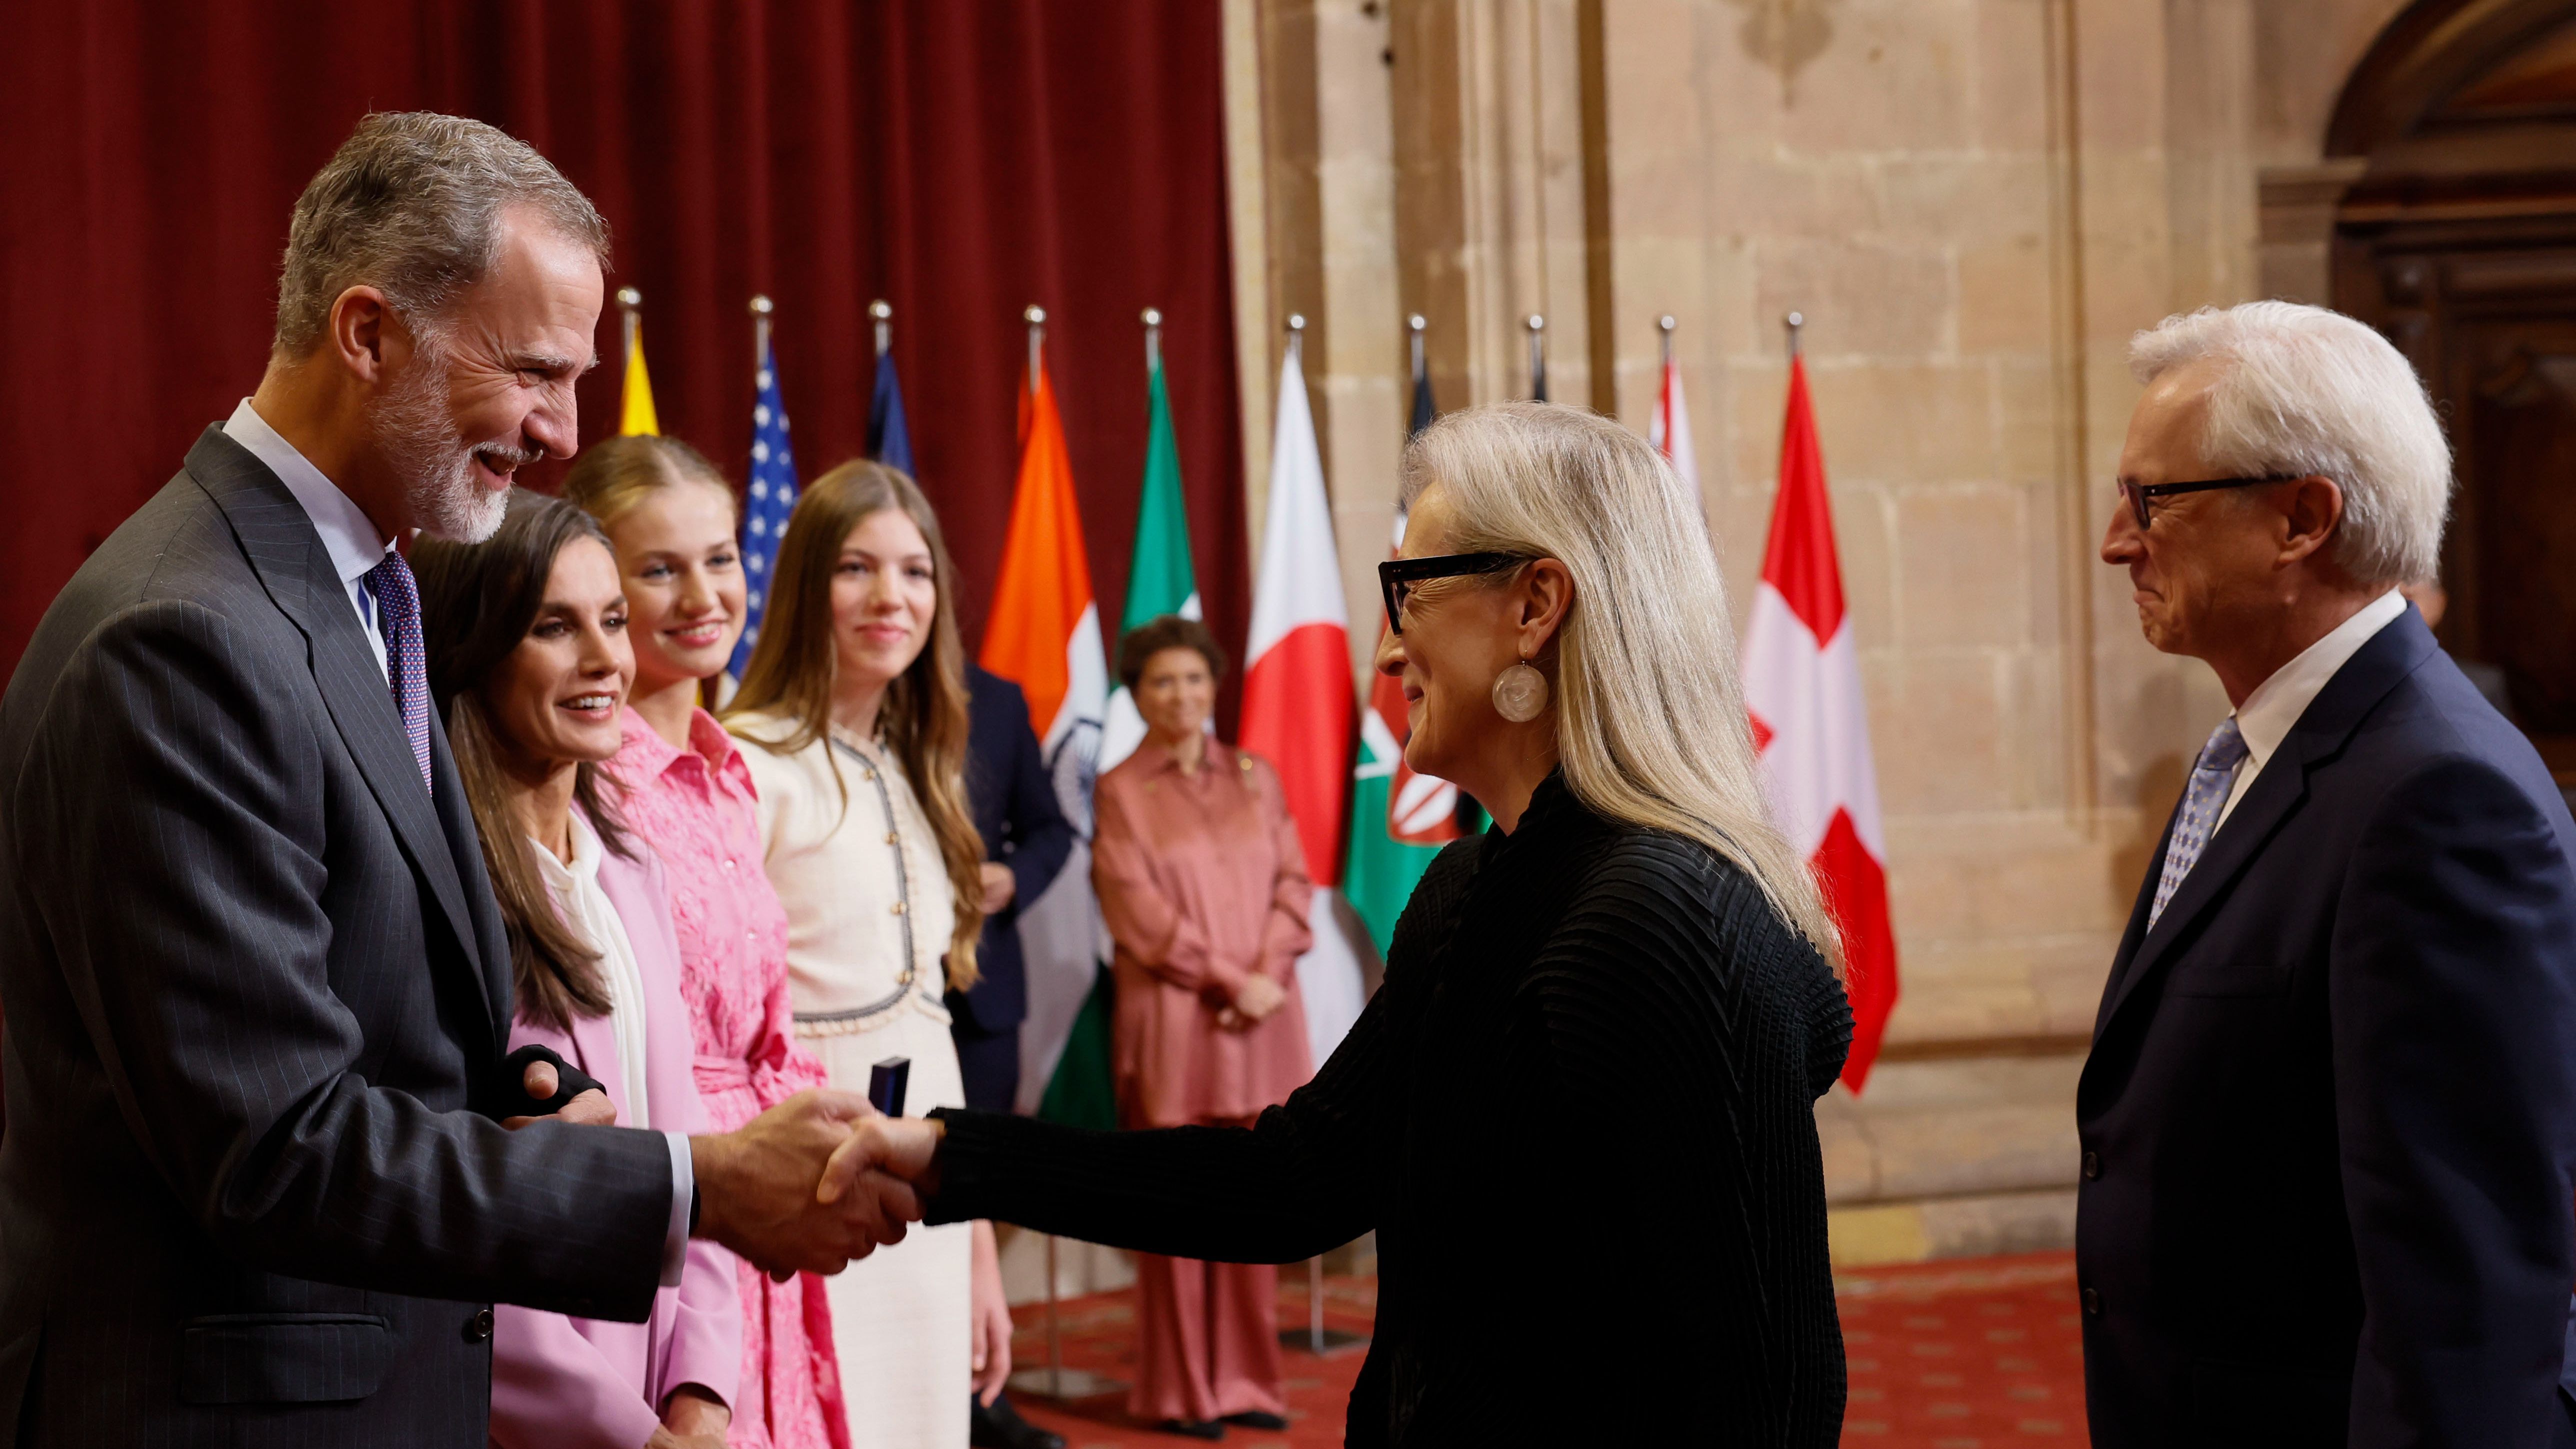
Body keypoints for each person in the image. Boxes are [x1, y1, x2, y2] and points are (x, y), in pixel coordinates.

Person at [0, 112, 910, 1445]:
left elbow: (361, 1003)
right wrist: (691, 1187)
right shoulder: (181, 638)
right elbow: (272, 1148)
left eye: (575, 378)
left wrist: (516, 1092)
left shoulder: (368, 589)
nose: (563, 431)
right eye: (533, 371)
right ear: (369, 334)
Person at [848, 402, 1858, 1446]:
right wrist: (948, 1158)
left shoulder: (1663, 917)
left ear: (1535, 605)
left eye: (1407, 592)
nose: (1383, 650)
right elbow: (1298, 1181)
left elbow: (1774, 1398)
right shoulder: (1469, 887)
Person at [2079, 300, 2576, 1445]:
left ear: (2300, 520)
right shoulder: (2272, 747)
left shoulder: (2437, 799)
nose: (2115, 541)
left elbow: (2460, 1291)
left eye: (2151, 499)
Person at [414, 491, 742, 1449]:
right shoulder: (438, 895)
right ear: (472, 649)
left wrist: (701, 1394)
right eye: (554, 626)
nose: (607, 658)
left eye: (612, 619)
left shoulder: (633, 868)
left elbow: (688, 1148)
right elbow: (454, 1229)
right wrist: (627, 1434)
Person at [567, 434, 850, 1449]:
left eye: (719, 558)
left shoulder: (728, 771)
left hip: (768, 1203)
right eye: (659, 569)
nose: (702, 596)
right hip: (670, 1203)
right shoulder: (581, 781)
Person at [726, 461, 1014, 1448]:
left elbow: (932, 1025)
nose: (892, 597)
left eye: (915, 571)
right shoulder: (748, 764)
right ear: (807, 585)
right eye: (857, 568)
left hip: (924, 1198)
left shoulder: (917, 771)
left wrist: (976, 1242)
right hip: (803, 1186)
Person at [1091, 615, 1310, 1440]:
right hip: (1177, 1025)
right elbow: (1137, 912)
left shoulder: (1257, 775)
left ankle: (1248, 1379)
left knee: (1253, 1202)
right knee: (1179, 1207)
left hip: (1264, 1020)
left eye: (1193, 678)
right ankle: (1183, 1393)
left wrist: (1269, 973)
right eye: (1161, 681)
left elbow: (1294, 883)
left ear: (1214, 684)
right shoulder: (1119, 789)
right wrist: (1231, 979)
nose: (1180, 695)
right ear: (1137, 694)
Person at [953, 662, 1074, 1449]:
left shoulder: (997, 699)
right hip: (866, 1000)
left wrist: (1012, 876)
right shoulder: (834, 687)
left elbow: (1051, 829)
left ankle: (978, 1394)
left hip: (984, 998)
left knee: (975, 1192)